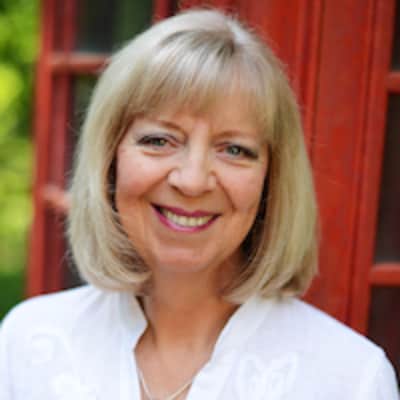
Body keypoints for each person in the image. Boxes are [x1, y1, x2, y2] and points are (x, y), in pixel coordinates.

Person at [0, 8, 398, 400]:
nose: (191, 181)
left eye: (234, 149)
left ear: (271, 181)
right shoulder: (28, 344)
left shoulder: (351, 379)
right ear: (110, 159)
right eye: (159, 140)